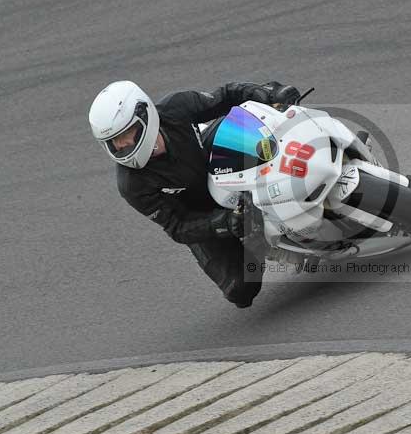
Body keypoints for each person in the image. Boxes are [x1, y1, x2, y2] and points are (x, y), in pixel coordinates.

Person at [88, 80, 301, 308]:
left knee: (253, 117)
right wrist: (225, 222)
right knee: (240, 290)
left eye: (127, 134)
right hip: (200, 213)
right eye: (114, 142)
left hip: (212, 157)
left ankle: (308, 154)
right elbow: (177, 227)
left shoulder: (176, 108)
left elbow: (227, 96)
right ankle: (261, 242)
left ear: (144, 116)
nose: (123, 145)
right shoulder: (132, 185)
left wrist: (269, 94)